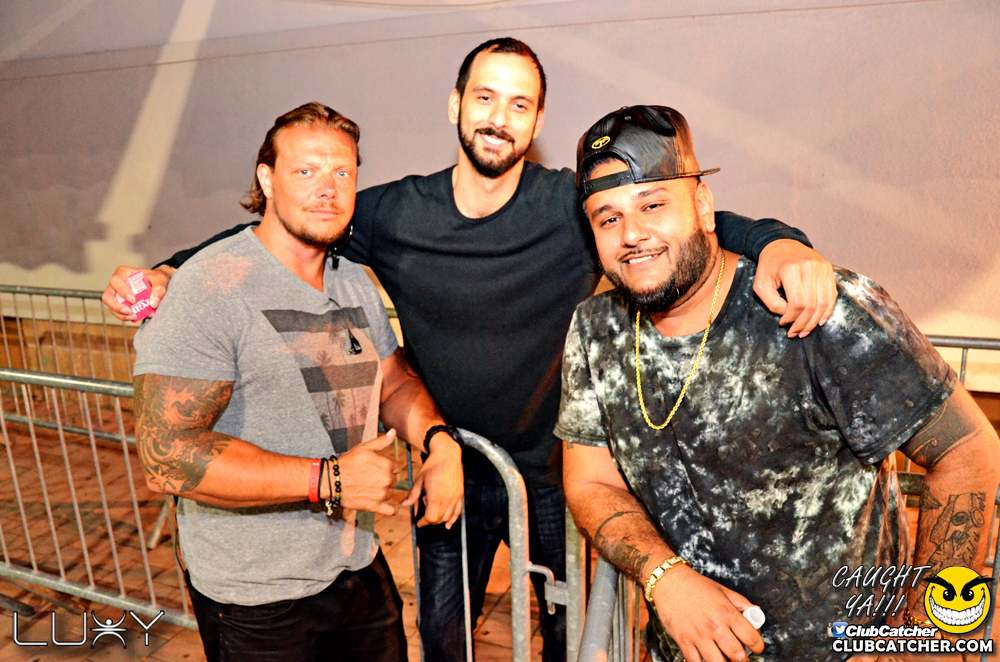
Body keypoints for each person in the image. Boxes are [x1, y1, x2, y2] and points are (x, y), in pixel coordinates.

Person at [107, 40, 838, 662]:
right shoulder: (393, 212)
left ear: (537, 122)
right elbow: (281, 228)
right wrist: (172, 268)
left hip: (555, 474)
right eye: (485, 97)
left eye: (520, 104)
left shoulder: (571, 208)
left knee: (568, 636)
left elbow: (690, 217)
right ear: (456, 104)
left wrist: (780, 244)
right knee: (444, 638)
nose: (499, 117)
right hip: (450, 472)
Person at [558, 104, 1000, 662]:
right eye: (608, 218)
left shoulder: (815, 309)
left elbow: (968, 451)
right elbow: (590, 482)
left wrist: (929, 639)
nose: (632, 235)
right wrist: (665, 577)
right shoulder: (595, 330)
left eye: (652, 204)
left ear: (702, 206)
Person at [132, 102, 464, 662]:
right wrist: (328, 479)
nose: (327, 188)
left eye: (342, 172)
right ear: (267, 180)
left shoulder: (354, 281)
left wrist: (439, 441)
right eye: (305, 170)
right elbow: (167, 454)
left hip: (356, 565)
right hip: (257, 597)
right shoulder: (209, 285)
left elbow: (393, 383)